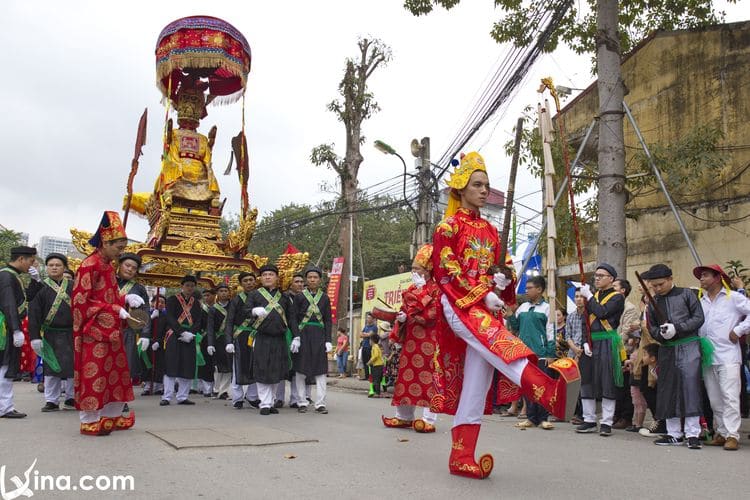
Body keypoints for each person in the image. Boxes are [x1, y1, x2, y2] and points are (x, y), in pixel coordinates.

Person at [431, 152, 580, 479]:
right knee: (500, 345)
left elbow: (506, 267)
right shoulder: (448, 227)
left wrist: (503, 281)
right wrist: (483, 291)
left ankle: (462, 456)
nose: (484, 190)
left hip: (486, 305)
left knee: (478, 378)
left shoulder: (490, 230)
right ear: (461, 189)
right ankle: (547, 391)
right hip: (460, 303)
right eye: (477, 185)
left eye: (487, 185)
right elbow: (445, 269)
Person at [72, 211, 140, 435]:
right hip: (94, 331)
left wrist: (124, 300)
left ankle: (112, 415)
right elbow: (81, 302)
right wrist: (114, 309)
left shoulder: (109, 266)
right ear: (105, 242)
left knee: (116, 373)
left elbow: (108, 297)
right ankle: (89, 419)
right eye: (118, 248)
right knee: (96, 374)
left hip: (112, 330)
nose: (120, 253)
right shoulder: (89, 265)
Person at [643, 263, 706, 449]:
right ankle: (673, 434)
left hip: (688, 346)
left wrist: (677, 328)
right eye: (653, 285)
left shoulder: (687, 294)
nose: (657, 288)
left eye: (660, 284)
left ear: (671, 279)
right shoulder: (653, 304)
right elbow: (651, 327)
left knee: (690, 388)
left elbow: (698, 318)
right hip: (667, 349)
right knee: (668, 390)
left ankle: (693, 434)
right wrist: (660, 333)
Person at [382, 244, 441, 433]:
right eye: (413, 268)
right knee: (406, 377)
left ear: (427, 270)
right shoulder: (411, 288)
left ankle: (428, 419)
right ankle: (404, 417)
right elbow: (406, 310)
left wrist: (423, 291)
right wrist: (402, 318)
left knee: (429, 379)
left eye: (417, 268)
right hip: (411, 341)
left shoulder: (437, 289)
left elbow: (432, 314)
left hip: (430, 342)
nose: (413, 271)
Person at [695, 264, 750, 451]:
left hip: (728, 354)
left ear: (718, 277)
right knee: (714, 398)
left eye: (705, 275)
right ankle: (723, 432)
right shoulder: (700, 301)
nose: (701, 279)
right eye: (701, 276)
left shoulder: (733, 298)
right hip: (707, 356)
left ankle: (733, 435)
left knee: (730, 395)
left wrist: (739, 329)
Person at [576, 263, 625, 436]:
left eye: (601, 276)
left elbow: (603, 312)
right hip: (591, 342)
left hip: (607, 342)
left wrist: (589, 296)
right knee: (587, 380)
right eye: (595, 275)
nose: (596, 278)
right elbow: (584, 322)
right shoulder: (593, 296)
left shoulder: (617, 297)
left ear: (611, 279)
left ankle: (606, 422)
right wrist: (584, 342)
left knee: (607, 381)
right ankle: (589, 419)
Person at [505, 276, 556, 430]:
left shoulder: (548, 308)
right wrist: (510, 315)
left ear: (539, 289)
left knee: (542, 386)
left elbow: (550, 332)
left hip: (541, 353)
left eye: (529, 288)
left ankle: (543, 418)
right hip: (524, 353)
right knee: (528, 386)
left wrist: (550, 354)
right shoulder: (523, 307)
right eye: (526, 288)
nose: (526, 291)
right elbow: (516, 326)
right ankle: (530, 418)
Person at [247, 264, 299, 415]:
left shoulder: (284, 297)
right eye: (265, 275)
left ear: (277, 278)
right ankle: (264, 403)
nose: (268, 277)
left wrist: (296, 336)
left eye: (271, 274)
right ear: (261, 278)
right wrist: (253, 311)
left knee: (276, 370)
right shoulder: (255, 295)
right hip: (262, 337)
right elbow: (245, 312)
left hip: (279, 338)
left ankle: (271, 401)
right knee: (262, 369)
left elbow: (292, 319)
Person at [27, 253, 75, 412]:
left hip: (71, 333)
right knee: (51, 368)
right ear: (46, 267)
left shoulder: (74, 286)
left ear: (65, 268)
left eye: (58, 265)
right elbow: (33, 313)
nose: (54, 267)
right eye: (51, 265)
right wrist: (34, 337)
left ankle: (71, 398)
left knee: (72, 368)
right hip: (50, 333)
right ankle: (52, 400)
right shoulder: (40, 287)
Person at [0, 246, 37, 418]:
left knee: (6, 365)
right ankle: (4, 407)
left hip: (9, 325)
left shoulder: (14, 276)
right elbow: (9, 305)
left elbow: (26, 299)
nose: (32, 265)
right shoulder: (7, 276)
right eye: (30, 261)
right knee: (5, 366)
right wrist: (15, 329)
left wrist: (35, 281)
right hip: (5, 327)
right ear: (21, 259)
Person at [291, 267, 332, 414]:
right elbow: (293, 319)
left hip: (319, 336)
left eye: (315, 277)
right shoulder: (299, 297)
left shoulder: (325, 298)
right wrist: (296, 336)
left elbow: (328, 320)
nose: (313, 279)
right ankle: (301, 401)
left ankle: (320, 403)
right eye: (310, 277)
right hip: (303, 335)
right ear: (306, 280)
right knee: (300, 370)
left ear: (320, 280)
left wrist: (328, 340)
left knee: (321, 371)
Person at [160, 275, 204, 406]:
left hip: (190, 336)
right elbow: (170, 317)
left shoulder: (196, 303)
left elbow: (198, 320)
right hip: (175, 334)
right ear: (182, 286)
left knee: (187, 366)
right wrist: (181, 331)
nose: (189, 288)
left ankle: (183, 396)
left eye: (192, 285)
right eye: (187, 285)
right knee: (171, 365)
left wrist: (191, 333)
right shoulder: (173, 299)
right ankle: (166, 396)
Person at [224, 271, 260, 409]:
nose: (249, 282)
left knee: (255, 366)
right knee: (238, 367)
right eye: (245, 280)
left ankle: (252, 396)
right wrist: (228, 341)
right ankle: (237, 397)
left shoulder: (260, 297)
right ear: (241, 284)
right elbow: (229, 322)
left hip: (257, 335)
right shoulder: (236, 300)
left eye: (251, 280)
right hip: (240, 336)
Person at [116, 253, 151, 387]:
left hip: (128, 332)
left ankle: (121, 400)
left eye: (134, 268)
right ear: (119, 265)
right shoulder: (107, 282)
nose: (130, 269)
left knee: (126, 366)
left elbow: (145, 312)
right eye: (127, 265)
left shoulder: (139, 288)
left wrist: (145, 334)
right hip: (107, 330)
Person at [612, 278, 639, 430]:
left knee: (624, 387)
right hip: (611, 351)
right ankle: (616, 414)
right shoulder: (610, 307)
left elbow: (625, 332)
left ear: (623, 290)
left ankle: (626, 416)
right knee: (615, 386)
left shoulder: (629, 308)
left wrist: (611, 346)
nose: (611, 288)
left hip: (623, 352)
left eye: (614, 286)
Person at [206, 284, 232, 399]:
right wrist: (210, 343)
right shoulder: (213, 309)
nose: (223, 293)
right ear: (217, 293)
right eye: (221, 291)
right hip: (218, 339)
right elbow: (210, 327)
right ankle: (216, 389)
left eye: (226, 291)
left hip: (230, 339)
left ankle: (224, 391)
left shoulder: (233, 306)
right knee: (217, 366)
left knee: (228, 366)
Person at [143, 295, 166, 396]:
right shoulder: (147, 314)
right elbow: (141, 327)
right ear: (152, 303)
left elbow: (167, 331)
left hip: (160, 343)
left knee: (160, 365)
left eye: (162, 302)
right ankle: (147, 386)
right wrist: (151, 318)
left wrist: (159, 342)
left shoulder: (166, 316)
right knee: (148, 364)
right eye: (157, 302)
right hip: (148, 342)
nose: (160, 304)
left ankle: (158, 387)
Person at [196, 288, 215, 397]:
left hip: (215, 338)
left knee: (214, 364)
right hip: (203, 338)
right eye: (205, 296)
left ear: (214, 295)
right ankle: (206, 388)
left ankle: (215, 387)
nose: (206, 298)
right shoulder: (201, 309)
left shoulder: (216, 308)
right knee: (205, 363)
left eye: (208, 295)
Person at [360, 312, 377, 380]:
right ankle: (366, 376)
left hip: (370, 347)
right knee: (365, 362)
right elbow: (360, 335)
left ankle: (371, 376)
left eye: (369, 318)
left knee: (370, 362)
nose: (367, 319)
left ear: (373, 319)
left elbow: (370, 335)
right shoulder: (366, 326)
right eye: (367, 318)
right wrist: (365, 334)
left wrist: (365, 334)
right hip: (364, 346)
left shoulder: (374, 327)